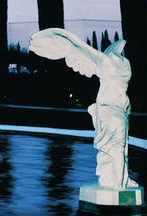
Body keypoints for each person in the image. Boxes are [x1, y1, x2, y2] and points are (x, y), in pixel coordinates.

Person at [30, 28, 139, 189]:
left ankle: (122, 178)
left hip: (120, 108)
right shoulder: (110, 62)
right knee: (117, 146)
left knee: (121, 146)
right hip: (110, 109)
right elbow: (76, 45)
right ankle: (118, 181)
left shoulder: (117, 61)